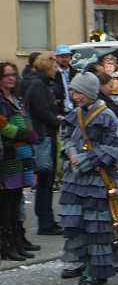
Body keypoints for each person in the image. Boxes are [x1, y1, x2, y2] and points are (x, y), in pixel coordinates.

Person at [58, 72, 118, 285]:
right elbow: (66, 138)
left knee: (96, 228)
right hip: (73, 179)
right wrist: (69, 152)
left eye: (79, 92)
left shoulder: (107, 116)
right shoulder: (73, 115)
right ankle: (86, 261)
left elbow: (114, 149)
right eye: (74, 92)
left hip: (96, 180)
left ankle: (97, 272)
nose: (75, 96)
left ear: (90, 92)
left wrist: (86, 159)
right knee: (72, 223)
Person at [0, 61, 38, 261]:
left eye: (13, 74)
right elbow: (4, 127)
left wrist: (30, 133)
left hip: (21, 156)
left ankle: (18, 241)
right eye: (6, 75)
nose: (11, 78)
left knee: (16, 202)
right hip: (8, 157)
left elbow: (26, 118)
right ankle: (7, 245)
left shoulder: (16, 98)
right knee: (7, 203)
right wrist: (25, 134)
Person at [23, 53, 62, 235]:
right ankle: (45, 222)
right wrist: (57, 120)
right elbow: (43, 112)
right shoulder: (39, 86)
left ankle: (48, 220)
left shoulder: (40, 84)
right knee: (46, 181)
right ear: (47, 67)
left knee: (46, 181)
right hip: (44, 138)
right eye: (54, 66)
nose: (56, 69)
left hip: (45, 135)